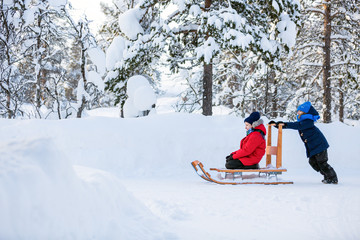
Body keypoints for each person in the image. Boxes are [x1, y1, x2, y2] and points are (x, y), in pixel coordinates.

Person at [270, 101, 338, 184]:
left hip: (320, 145)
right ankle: (327, 176)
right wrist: (279, 125)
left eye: (300, 111)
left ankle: (332, 178)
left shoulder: (308, 121)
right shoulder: (303, 121)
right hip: (314, 147)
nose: (298, 112)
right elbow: (297, 124)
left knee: (322, 162)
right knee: (313, 162)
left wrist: (284, 124)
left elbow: (298, 125)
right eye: (298, 111)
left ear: (306, 113)